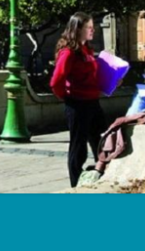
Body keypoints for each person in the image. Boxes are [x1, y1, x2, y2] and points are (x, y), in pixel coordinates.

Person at [49, 12, 107, 188]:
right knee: (78, 146)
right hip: (77, 104)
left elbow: (92, 75)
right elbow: (56, 81)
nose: (92, 31)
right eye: (89, 27)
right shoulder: (69, 53)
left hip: (92, 102)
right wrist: (68, 97)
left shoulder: (87, 50)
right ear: (78, 29)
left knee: (101, 141)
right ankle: (75, 184)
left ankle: (101, 174)